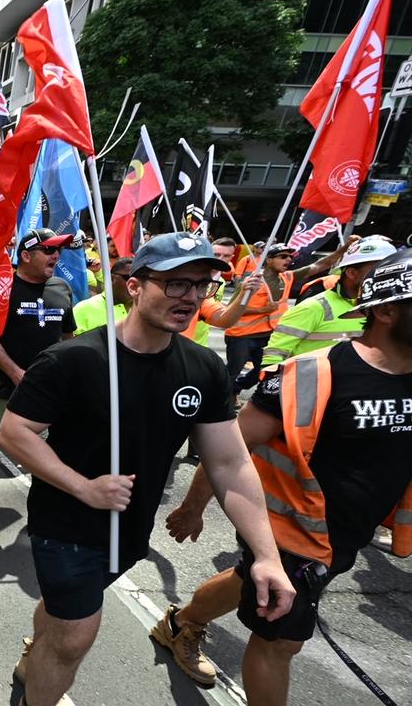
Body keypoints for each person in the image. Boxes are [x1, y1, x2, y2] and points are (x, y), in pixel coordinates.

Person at [0, 232, 295, 706]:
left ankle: (41, 649)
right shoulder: (72, 359)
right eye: (175, 284)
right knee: (75, 638)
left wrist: (266, 555)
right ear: (135, 286)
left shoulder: (203, 369)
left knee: (63, 618)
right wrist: (84, 487)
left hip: (131, 527)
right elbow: (14, 433)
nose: (191, 297)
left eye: (201, 285)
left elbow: (230, 461)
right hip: (65, 522)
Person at [155, 248, 412, 705]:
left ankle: (180, 624)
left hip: (346, 536)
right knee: (281, 642)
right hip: (292, 533)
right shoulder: (315, 374)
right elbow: (230, 450)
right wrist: (193, 508)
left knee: (246, 579)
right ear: (388, 310)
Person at [0, 227, 77, 523]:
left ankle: (44, 504)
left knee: (43, 449)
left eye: (59, 250)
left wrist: (73, 374)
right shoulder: (3, 288)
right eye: (49, 250)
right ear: (26, 255)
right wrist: (17, 373)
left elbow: (67, 336)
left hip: (48, 390)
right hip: (0, 385)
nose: (56, 255)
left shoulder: (62, 288)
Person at [223, 240, 350, 394]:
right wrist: (263, 310)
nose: (288, 260)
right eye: (282, 256)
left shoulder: (287, 277)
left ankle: (236, 389)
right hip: (241, 336)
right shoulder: (252, 281)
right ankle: (221, 399)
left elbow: (320, 265)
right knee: (232, 371)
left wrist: (345, 248)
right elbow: (230, 309)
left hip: (266, 335)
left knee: (265, 370)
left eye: (290, 257)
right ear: (269, 260)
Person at [262, 235, 395, 366]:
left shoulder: (383, 310)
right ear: (352, 273)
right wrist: (271, 380)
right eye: (377, 270)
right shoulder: (314, 306)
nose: (385, 277)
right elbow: (274, 356)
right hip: (247, 335)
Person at [73, 257, 132, 335]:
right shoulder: (83, 309)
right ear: (112, 278)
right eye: (129, 278)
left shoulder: (146, 310)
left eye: (142, 279)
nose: (134, 284)